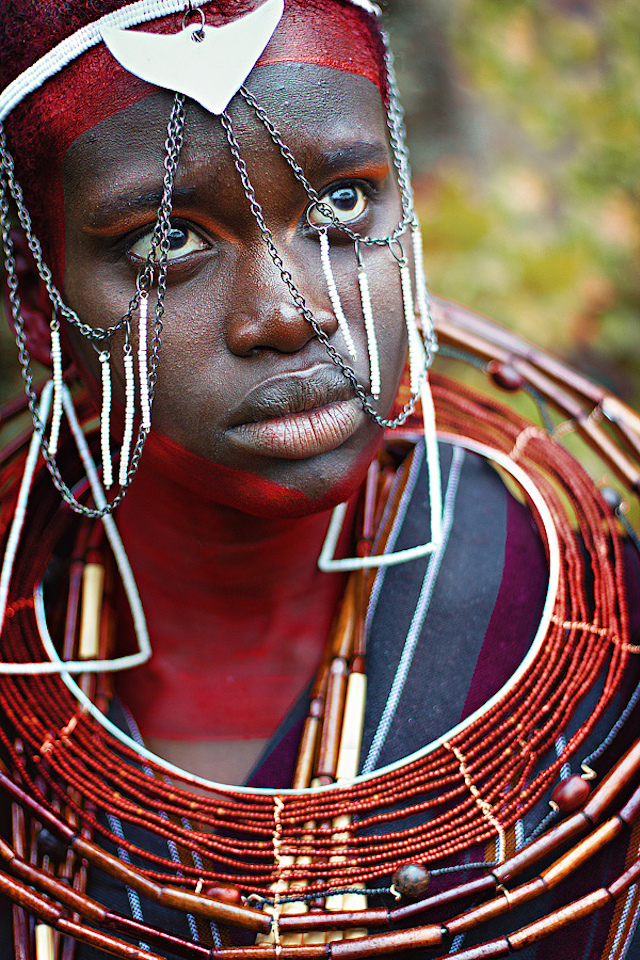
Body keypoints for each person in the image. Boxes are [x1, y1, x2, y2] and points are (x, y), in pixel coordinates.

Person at [0, 1, 639, 958]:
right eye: (168, 240)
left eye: (341, 203)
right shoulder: (22, 624)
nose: (289, 316)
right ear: (40, 301)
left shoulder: (594, 637)